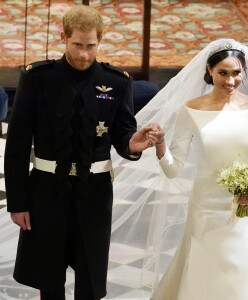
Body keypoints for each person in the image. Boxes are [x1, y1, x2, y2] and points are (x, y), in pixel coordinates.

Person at [106, 39, 248, 300]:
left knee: (242, 275)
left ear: (245, 72)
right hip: (205, 209)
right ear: (210, 71)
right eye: (222, 73)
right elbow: (173, 169)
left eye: (236, 73)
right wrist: (161, 146)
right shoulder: (191, 109)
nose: (230, 81)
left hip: (246, 210)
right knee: (205, 278)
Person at [4, 4, 160, 300]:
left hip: (95, 194)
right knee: (48, 279)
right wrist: (18, 202)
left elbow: (123, 134)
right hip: (46, 191)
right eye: (77, 44)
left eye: (91, 45)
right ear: (63, 36)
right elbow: (17, 145)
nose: (84, 53)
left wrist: (132, 144)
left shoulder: (117, 82)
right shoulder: (37, 79)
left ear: (100, 40)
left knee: (91, 279)